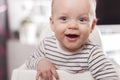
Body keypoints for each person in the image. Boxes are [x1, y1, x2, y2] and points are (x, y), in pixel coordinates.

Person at [26, 0, 119, 80]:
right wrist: (40, 62)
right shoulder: (46, 46)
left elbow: (111, 77)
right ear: (53, 23)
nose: (73, 26)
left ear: (92, 26)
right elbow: (30, 61)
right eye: (64, 18)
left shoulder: (92, 54)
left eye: (82, 20)